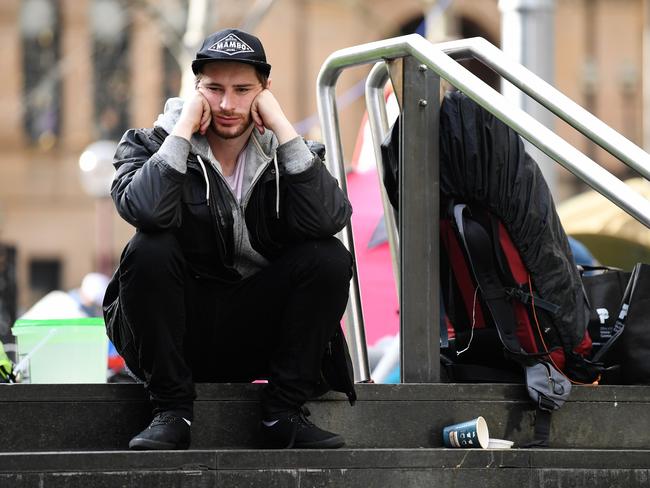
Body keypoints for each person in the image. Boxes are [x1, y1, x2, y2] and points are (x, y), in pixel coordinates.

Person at [103, 28, 356, 451]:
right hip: (178, 333)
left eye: (242, 90)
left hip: (254, 330)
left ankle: (283, 414)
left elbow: (330, 218)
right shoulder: (150, 145)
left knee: (329, 257)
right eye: (214, 89)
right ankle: (171, 410)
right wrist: (182, 130)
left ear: (264, 91)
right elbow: (145, 210)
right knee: (150, 247)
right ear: (196, 88)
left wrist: (281, 126)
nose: (226, 104)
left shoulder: (288, 154)